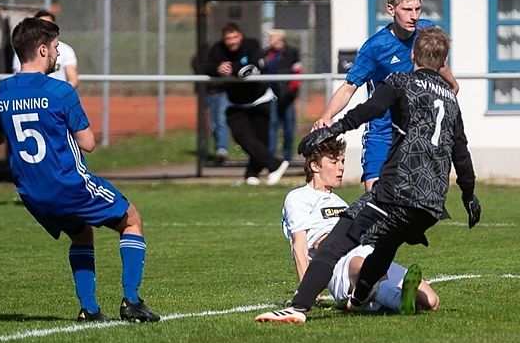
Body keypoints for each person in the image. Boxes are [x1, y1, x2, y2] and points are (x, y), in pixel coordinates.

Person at [255, 27, 479, 324]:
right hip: (431, 204)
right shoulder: (451, 102)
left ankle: (298, 308)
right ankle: (359, 298)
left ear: (412, 54)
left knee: (336, 242)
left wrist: (330, 129)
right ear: (443, 62)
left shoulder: (400, 82)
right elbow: (461, 154)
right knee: (386, 244)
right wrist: (469, 195)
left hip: (398, 190)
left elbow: (369, 109)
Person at [0, 16, 159, 323]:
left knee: (81, 234)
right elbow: (88, 143)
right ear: (41, 50)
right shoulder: (60, 92)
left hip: (32, 192)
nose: (57, 55)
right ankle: (131, 301)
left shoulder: (1, 92)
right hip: (69, 184)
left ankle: (89, 309)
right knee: (131, 219)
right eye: (54, 48)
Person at [260, 135, 438, 320]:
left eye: (343, 161)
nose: (341, 167)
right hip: (339, 264)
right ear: (314, 166)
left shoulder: (341, 202)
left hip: (370, 254)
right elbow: (299, 245)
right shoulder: (298, 197)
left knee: (431, 301)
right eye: (334, 162)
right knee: (360, 264)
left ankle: (382, 298)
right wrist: (308, 290)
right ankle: (396, 300)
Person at [313, 0, 459, 192]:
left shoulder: (426, 31)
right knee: (375, 200)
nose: (414, 16)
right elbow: (348, 87)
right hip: (382, 135)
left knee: (414, 206)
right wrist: (327, 116)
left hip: (415, 134)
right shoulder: (375, 47)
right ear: (391, 9)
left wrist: (452, 87)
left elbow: (438, 64)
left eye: (418, 9)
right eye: (407, 9)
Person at [203, 22, 289, 186]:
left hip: (260, 100)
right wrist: (218, 69)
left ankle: (252, 174)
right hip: (236, 104)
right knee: (242, 136)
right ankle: (275, 164)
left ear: (240, 36)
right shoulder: (217, 49)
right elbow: (206, 66)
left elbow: (253, 68)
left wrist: (234, 69)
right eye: (228, 38)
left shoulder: (252, 45)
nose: (232, 41)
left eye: (235, 37)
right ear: (224, 39)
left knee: (259, 140)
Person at [12, 9, 79, 88]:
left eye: (48, 24)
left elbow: (73, 79)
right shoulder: (24, 49)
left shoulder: (66, 50)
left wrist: (62, 93)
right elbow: (18, 78)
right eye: (41, 24)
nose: (45, 28)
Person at [264, 29, 303, 162]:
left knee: (288, 125)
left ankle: (287, 156)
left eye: (272, 38)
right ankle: (271, 156)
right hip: (271, 94)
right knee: (272, 124)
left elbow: (297, 71)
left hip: (287, 95)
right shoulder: (267, 54)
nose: (270, 40)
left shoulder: (291, 53)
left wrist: (292, 90)